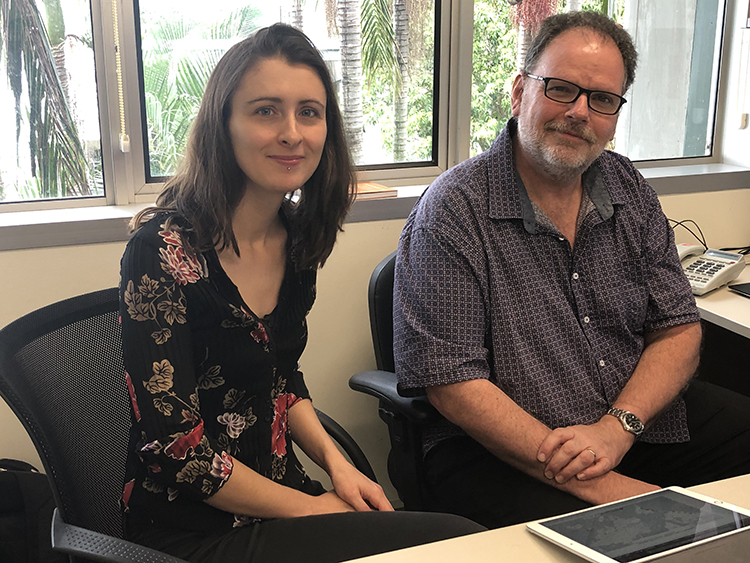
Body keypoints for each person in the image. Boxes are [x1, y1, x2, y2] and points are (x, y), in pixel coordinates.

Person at [119, 23, 484, 563]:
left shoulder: (295, 239)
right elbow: (178, 452)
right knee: (450, 544)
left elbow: (283, 379)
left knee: (456, 539)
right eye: (266, 110)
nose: (292, 133)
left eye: (309, 112)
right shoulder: (161, 252)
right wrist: (312, 508)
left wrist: (340, 468)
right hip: (190, 527)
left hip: (281, 499)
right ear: (225, 124)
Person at [393, 11, 750, 529]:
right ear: (520, 92)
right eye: (561, 89)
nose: (580, 112)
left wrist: (616, 429)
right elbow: (454, 385)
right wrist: (611, 487)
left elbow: (678, 329)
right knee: (632, 538)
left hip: (628, 424)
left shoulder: (628, 187)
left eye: (602, 99)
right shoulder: (454, 210)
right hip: (502, 451)